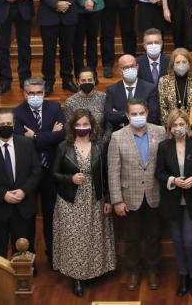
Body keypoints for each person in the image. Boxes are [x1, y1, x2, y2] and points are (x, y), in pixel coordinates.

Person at [51, 109, 115, 297]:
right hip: (70, 199)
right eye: (78, 125)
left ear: (92, 126)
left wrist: (109, 199)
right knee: (74, 238)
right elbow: (53, 174)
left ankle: (92, 272)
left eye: (85, 124)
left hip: (95, 198)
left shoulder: (99, 146)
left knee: (93, 235)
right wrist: (70, 178)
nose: (82, 128)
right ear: (72, 127)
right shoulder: (64, 146)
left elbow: (106, 174)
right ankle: (77, 277)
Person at [108, 98, 166, 291]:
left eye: (141, 113)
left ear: (147, 113)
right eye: (134, 114)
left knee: (153, 236)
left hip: (154, 194)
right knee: (130, 237)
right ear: (127, 115)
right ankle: (133, 271)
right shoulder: (117, 137)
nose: (138, 117)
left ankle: (152, 270)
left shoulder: (160, 132)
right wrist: (116, 200)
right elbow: (113, 171)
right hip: (129, 196)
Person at [13, 77, 66, 266]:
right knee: (27, 217)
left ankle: (54, 257)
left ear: (44, 93)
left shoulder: (54, 108)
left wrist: (35, 136)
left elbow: (62, 134)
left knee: (52, 216)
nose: (35, 96)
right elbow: (20, 140)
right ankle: (29, 259)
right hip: (28, 174)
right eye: (31, 93)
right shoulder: (17, 113)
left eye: (39, 93)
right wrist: (48, 135)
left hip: (51, 171)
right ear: (24, 94)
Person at [155, 109, 192, 297]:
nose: (178, 128)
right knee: (177, 241)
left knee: (191, 241)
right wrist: (172, 180)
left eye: (181, 124)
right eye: (174, 125)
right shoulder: (163, 147)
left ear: (187, 125)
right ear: (169, 127)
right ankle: (183, 277)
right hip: (172, 200)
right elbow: (159, 173)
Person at [0, 109, 41, 258]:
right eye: (2, 124)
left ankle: (25, 276)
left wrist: (23, 191)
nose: (5, 126)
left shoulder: (27, 143)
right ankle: (2, 278)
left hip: (23, 206)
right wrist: (3, 194)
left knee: (25, 248)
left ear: (14, 124)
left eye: (9, 123)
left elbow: (36, 171)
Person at [104, 54, 160, 132]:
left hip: (145, 131)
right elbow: (108, 115)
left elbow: (153, 116)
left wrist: (120, 114)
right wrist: (136, 115)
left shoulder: (150, 88)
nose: (130, 69)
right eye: (126, 67)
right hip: (120, 133)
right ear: (120, 71)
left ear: (137, 67)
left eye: (132, 66)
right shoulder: (112, 89)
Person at [158, 48, 192, 126]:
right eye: (177, 62)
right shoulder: (164, 81)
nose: (181, 64)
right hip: (171, 127)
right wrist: (172, 125)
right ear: (172, 65)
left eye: (184, 62)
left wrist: (189, 126)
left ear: (189, 64)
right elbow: (163, 107)